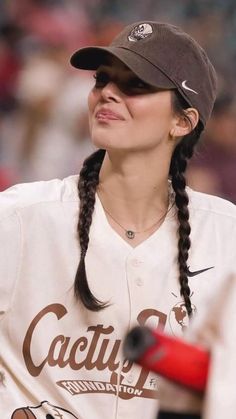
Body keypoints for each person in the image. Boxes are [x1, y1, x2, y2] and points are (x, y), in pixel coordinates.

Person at [0, 20, 236, 419]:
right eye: (102, 80)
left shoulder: (226, 235)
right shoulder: (21, 218)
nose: (107, 92)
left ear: (183, 121)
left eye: (136, 85)